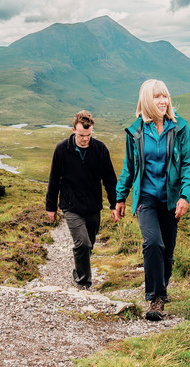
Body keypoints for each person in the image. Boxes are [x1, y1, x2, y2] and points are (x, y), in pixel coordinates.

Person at [115, 79, 190, 321]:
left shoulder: (180, 127)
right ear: (146, 101)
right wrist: (121, 197)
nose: (163, 101)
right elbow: (129, 167)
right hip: (147, 199)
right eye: (157, 97)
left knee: (168, 252)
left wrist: (185, 194)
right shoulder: (136, 132)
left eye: (165, 96)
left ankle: (160, 292)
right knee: (153, 243)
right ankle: (155, 300)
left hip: (171, 200)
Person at [46, 110, 119, 290]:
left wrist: (114, 204)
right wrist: (51, 207)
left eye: (88, 135)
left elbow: (110, 179)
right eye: (81, 135)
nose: (85, 139)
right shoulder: (62, 149)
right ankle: (83, 282)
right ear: (73, 130)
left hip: (93, 206)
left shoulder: (100, 149)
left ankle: (78, 271)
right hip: (71, 206)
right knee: (83, 243)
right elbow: (54, 179)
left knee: (89, 245)